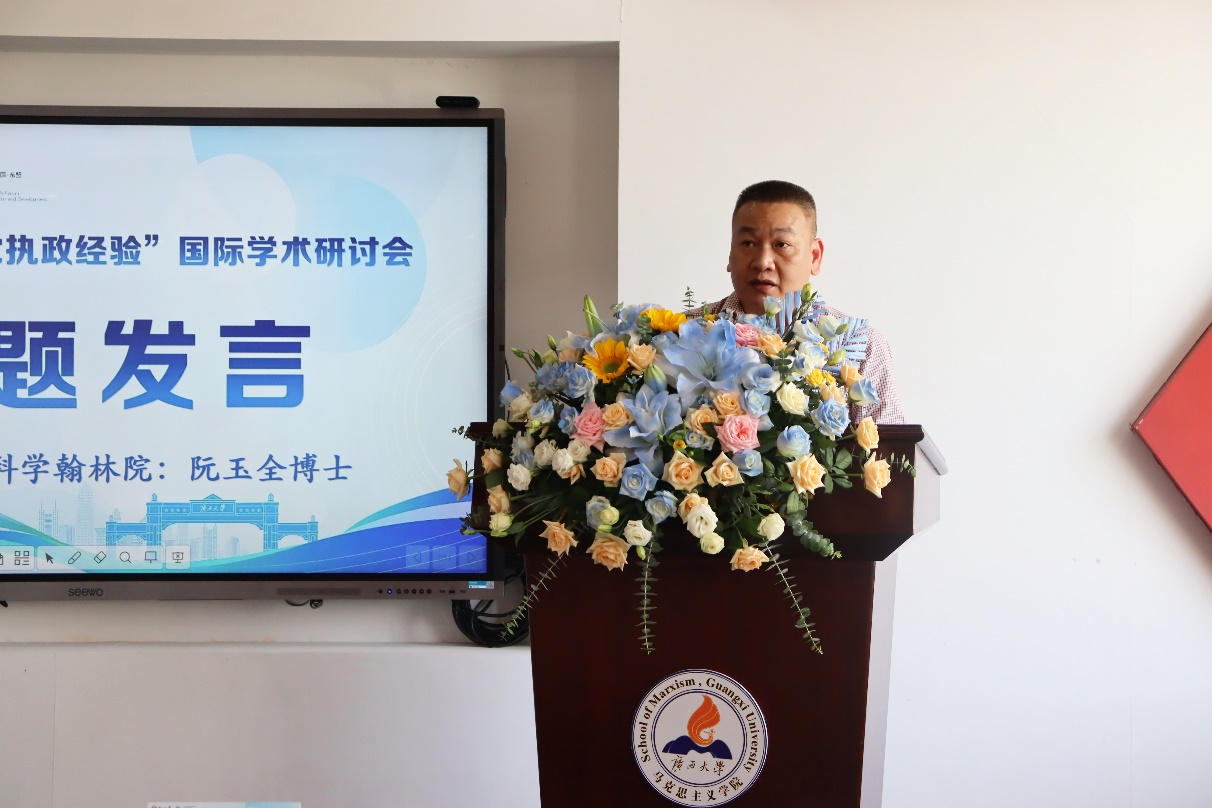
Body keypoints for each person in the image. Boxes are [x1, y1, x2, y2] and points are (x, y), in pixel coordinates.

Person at [709, 180, 904, 424]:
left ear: (815, 256)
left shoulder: (863, 347)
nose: (763, 262)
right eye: (748, 243)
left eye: (782, 244)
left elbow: (887, 447)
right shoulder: (683, 332)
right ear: (730, 253)